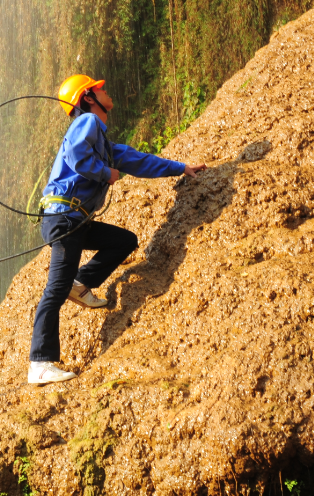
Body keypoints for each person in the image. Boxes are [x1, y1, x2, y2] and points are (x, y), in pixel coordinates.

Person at [28, 74, 206, 385]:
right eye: (101, 89)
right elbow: (76, 156)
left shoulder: (105, 146)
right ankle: (40, 363)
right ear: (88, 99)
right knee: (54, 287)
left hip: (75, 221)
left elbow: (140, 161)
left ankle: (80, 283)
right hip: (66, 218)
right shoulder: (87, 124)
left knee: (124, 241)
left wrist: (181, 168)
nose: (107, 92)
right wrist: (105, 173)